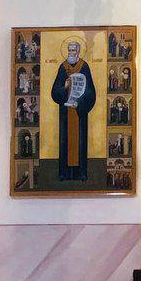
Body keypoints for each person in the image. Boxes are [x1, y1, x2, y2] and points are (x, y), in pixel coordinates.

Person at [50, 40, 96, 181]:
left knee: (80, 142)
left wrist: (80, 102)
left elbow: (90, 91)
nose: (71, 53)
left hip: (79, 111)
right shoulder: (63, 67)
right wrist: (64, 87)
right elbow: (55, 91)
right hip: (66, 111)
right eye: (69, 50)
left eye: (74, 50)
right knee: (65, 141)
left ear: (78, 51)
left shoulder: (84, 66)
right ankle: (64, 174)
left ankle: (81, 174)